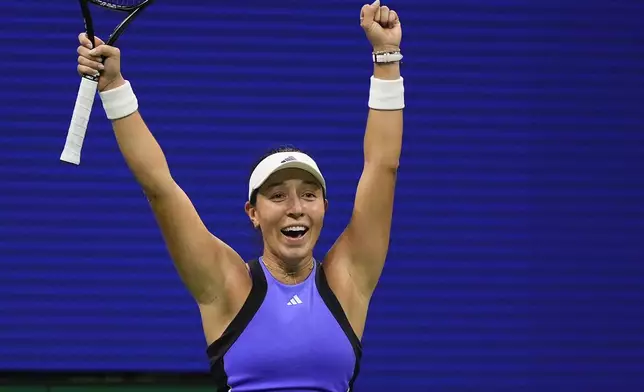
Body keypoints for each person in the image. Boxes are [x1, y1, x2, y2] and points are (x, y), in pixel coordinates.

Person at [75, 1, 404, 390]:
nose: (296, 209)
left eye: (309, 195)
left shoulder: (349, 278)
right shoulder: (226, 284)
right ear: (253, 212)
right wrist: (113, 87)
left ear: (325, 208)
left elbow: (382, 167)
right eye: (278, 196)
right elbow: (160, 187)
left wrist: (386, 57)